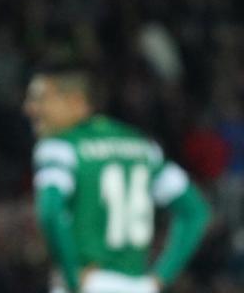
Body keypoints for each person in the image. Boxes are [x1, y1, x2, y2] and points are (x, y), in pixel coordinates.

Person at [24, 63, 210, 293]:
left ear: (75, 102)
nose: (30, 108)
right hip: (139, 285)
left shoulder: (60, 147)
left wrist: (71, 277)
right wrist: (160, 277)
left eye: (41, 99)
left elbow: (50, 212)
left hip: (89, 282)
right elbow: (195, 211)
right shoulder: (142, 146)